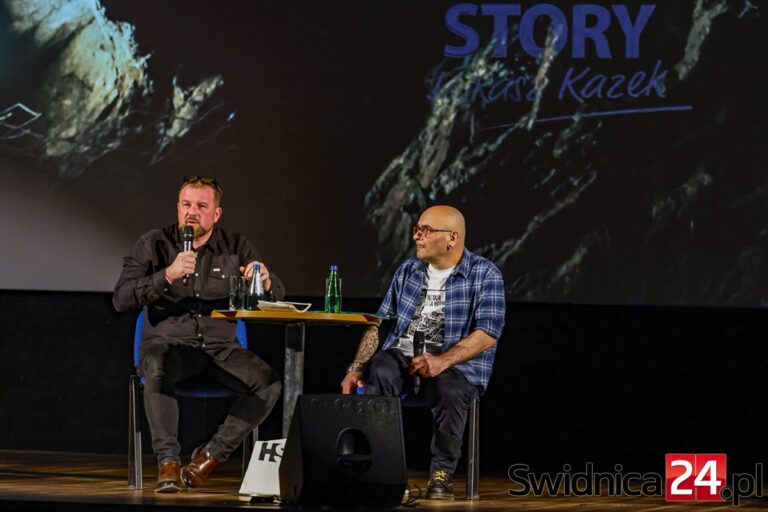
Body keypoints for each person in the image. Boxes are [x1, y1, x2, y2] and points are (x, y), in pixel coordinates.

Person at [113, 176, 284, 493]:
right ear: (178, 208)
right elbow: (121, 298)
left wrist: (265, 280)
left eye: (201, 206)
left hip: (222, 351)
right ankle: (169, 463)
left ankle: (208, 458)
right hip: (170, 347)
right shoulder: (154, 244)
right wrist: (167, 275)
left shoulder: (236, 247)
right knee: (157, 366)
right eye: (187, 205)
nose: (192, 213)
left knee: (269, 383)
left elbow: (274, 294)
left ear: (216, 214)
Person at [341, 205, 505, 501]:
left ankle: (441, 472)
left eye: (426, 231)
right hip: (405, 355)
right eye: (417, 229)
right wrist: (355, 368)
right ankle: (383, 470)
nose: (417, 236)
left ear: (452, 238)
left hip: (455, 362)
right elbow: (378, 324)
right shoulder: (408, 270)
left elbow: (488, 333)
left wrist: (441, 361)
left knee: (452, 389)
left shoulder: (484, 274)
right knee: (379, 371)